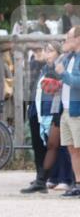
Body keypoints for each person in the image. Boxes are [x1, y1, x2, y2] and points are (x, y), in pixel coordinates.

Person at [22, 42, 68, 193]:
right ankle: (44, 178)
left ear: (58, 53)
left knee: (58, 146)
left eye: (49, 51)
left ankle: (62, 178)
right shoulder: (44, 68)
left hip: (54, 110)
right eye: (45, 51)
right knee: (44, 146)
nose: (46, 54)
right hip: (39, 111)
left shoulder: (61, 66)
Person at [54, 25, 80, 197]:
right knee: (72, 149)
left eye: (68, 38)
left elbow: (78, 83)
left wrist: (64, 75)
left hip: (77, 111)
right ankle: (77, 183)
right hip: (66, 110)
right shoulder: (69, 57)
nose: (65, 40)